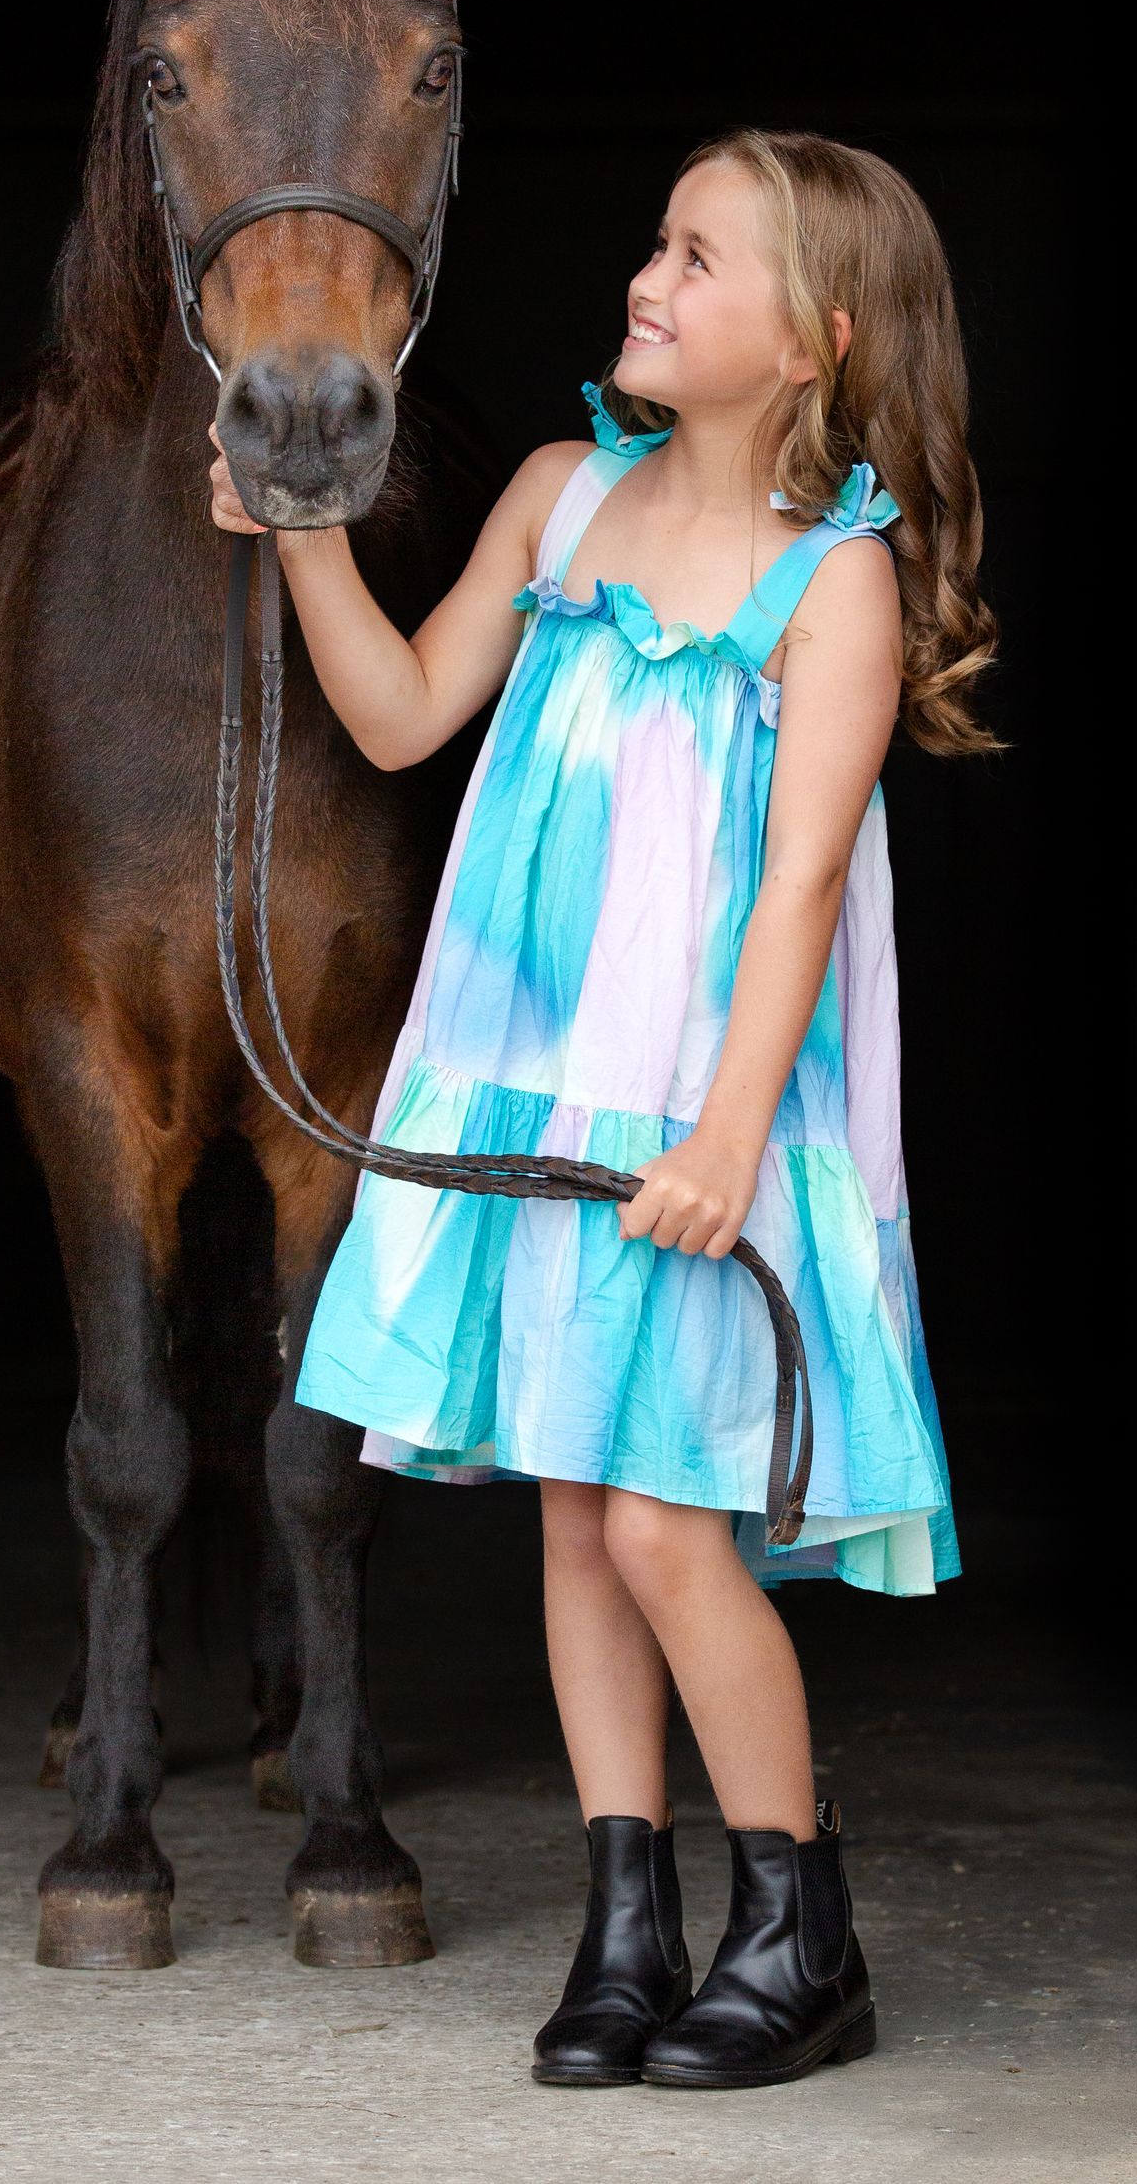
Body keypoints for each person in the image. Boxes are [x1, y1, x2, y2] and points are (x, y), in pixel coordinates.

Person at [207, 128, 999, 2091]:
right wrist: (303, 527)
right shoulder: (566, 505)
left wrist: (730, 1134)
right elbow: (397, 711)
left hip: (693, 1124)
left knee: (663, 1525)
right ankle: (626, 1921)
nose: (647, 277)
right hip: (534, 1093)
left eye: (699, 259)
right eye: (656, 240)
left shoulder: (839, 575)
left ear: (813, 339)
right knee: (577, 1513)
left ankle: (797, 1920)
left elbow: (804, 875)